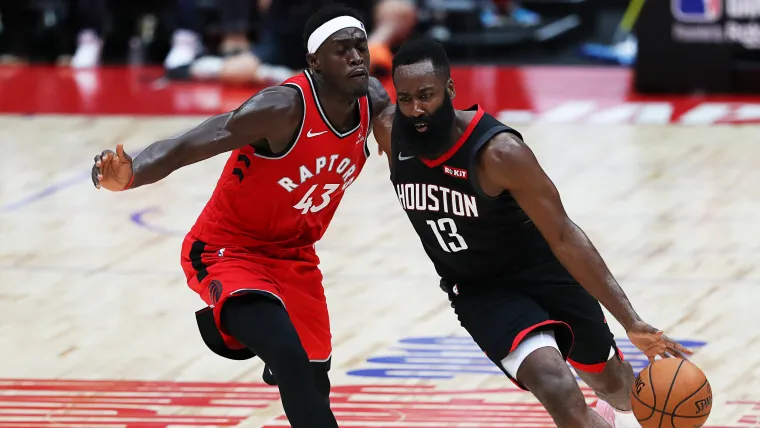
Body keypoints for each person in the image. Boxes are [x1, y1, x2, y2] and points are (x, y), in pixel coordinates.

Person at [90, 5, 390, 427]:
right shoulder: (282, 108)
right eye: (343, 50)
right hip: (227, 250)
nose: (358, 57)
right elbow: (187, 145)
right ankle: (254, 333)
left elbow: (410, 144)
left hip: (295, 256)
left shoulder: (374, 101)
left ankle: (258, 338)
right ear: (314, 62)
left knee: (311, 382)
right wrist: (132, 173)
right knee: (287, 353)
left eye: (361, 47)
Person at [372, 37, 692, 428]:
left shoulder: (499, 153)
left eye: (426, 95)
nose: (416, 109)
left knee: (615, 385)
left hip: (544, 270)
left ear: (450, 90)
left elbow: (563, 234)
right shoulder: (390, 130)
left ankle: (611, 410)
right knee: (555, 386)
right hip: (480, 289)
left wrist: (630, 320)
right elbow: (353, 84)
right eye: (405, 98)